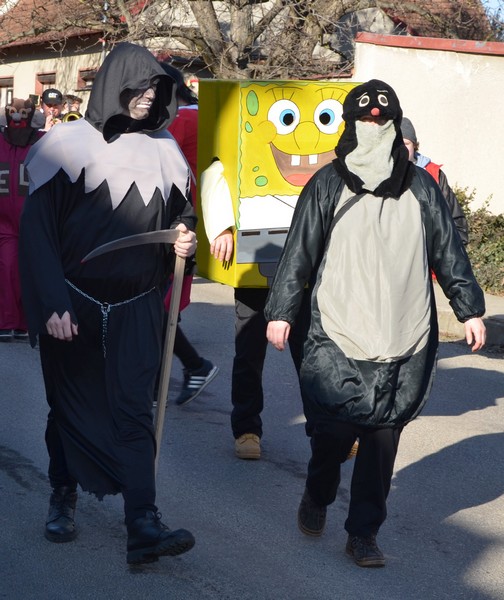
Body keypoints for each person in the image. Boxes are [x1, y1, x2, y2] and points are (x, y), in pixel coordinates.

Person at [264, 79, 486, 568]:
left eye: (382, 121)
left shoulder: (422, 187)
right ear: (350, 126)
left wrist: (469, 308)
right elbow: (299, 252)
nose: (374, 127)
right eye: (364, 120)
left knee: (382, 440)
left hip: (403, 330)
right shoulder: (327, 183)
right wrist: (280, 312)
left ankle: (363, 533)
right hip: (338, 329)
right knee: (334, 432)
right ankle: (318, 492)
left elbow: (448, 250)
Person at [19, 42, 197, 565]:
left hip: (138, 306)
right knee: (69, 409)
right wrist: (52, 302)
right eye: (140, 88)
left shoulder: (166, 150)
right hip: (72, 305)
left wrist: (185, 237)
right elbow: (38, 235)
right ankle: (63, 494)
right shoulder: (66, 146)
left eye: (156, 90)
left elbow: (182, 215)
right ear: (115, 86)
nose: (149, 98)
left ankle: (143, 524)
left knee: (134, 412)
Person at [158, 62, 218, 406]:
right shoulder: (201, 114)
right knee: (160, 311)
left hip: (182, 221)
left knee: (155, 310)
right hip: (196, 217)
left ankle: (193, 366)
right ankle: (158, 382)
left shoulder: (180, 120)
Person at [0, 98, 44, 342]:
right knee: (6, 269)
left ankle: (27, 321)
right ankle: (7, 321)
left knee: (30, 270)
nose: (17, 118)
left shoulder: (43, 141)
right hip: (4, 222)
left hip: (34, 219)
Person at [401, 116, 468, 244]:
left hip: (431, 252)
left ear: (414, 145)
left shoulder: (434, 173)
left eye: (405, 143)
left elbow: (456, 222)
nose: (401, 148)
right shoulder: (382, 176)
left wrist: (449, 251)